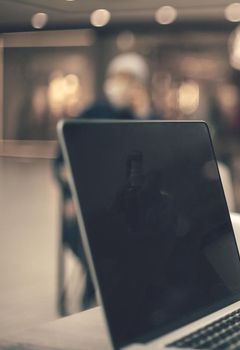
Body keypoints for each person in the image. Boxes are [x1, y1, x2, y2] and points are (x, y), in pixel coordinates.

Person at [54, 52, 157, 314]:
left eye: (129, 79)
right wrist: (71, 195)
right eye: (117, 77)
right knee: (80, 233)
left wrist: (143, 113)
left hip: (129, 201)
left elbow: (155, 155)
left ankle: (118, 286)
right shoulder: (93, 111)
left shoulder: (144, 114)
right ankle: (97, 280)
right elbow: (63, 157)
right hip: (90, 198)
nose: (121, 83)